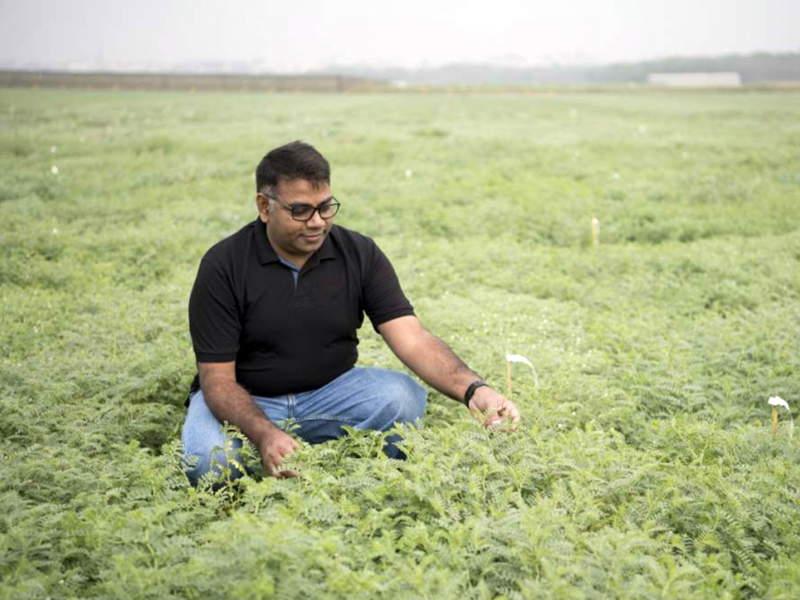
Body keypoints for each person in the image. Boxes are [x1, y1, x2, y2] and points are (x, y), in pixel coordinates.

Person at [182, 141, 520, 486]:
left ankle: (342, 466)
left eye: (325, 207)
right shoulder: (224, 265)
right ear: (264, 207)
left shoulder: (359, 253)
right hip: (247, 400)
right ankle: (274, 454)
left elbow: (413, 338)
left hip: (330, 394)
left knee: (400, 398)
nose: (317, 222)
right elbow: (218, 381)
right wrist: (264, 433)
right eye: (300, 211)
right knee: (208, 462)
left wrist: (476, 390)